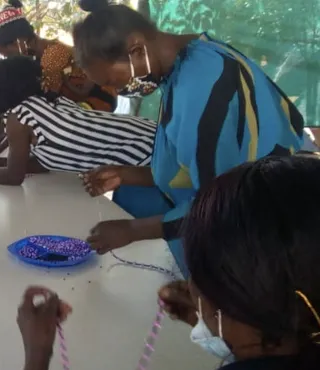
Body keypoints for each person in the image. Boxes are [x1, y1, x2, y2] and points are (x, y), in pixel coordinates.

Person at [16, 155, 320, 370]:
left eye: (194, 270)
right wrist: (214, 320)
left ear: (228, 299)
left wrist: (36, 354)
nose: (189, 283)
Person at [73, 0, 305, 274]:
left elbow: (219, 205)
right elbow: (195, 162)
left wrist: (133, 229)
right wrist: (126, 174)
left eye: (113, 81)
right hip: (235, 204)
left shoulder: (201, 89)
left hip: (260, 227)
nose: (115, 90)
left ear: (136, 49)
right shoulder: (191, 59)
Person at [0, 57, 155, 186]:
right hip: (152, 136)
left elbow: (14, 177)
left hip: (149, 155)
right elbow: (45, 161)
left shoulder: (19, 118)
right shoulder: (43, 103)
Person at [0, 0, 117, 112]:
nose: (9, 59)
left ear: (16, 43)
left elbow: (49, 99)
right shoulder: (42, 54)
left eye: (7, 54)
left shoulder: (52, 56)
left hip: (100, 98)